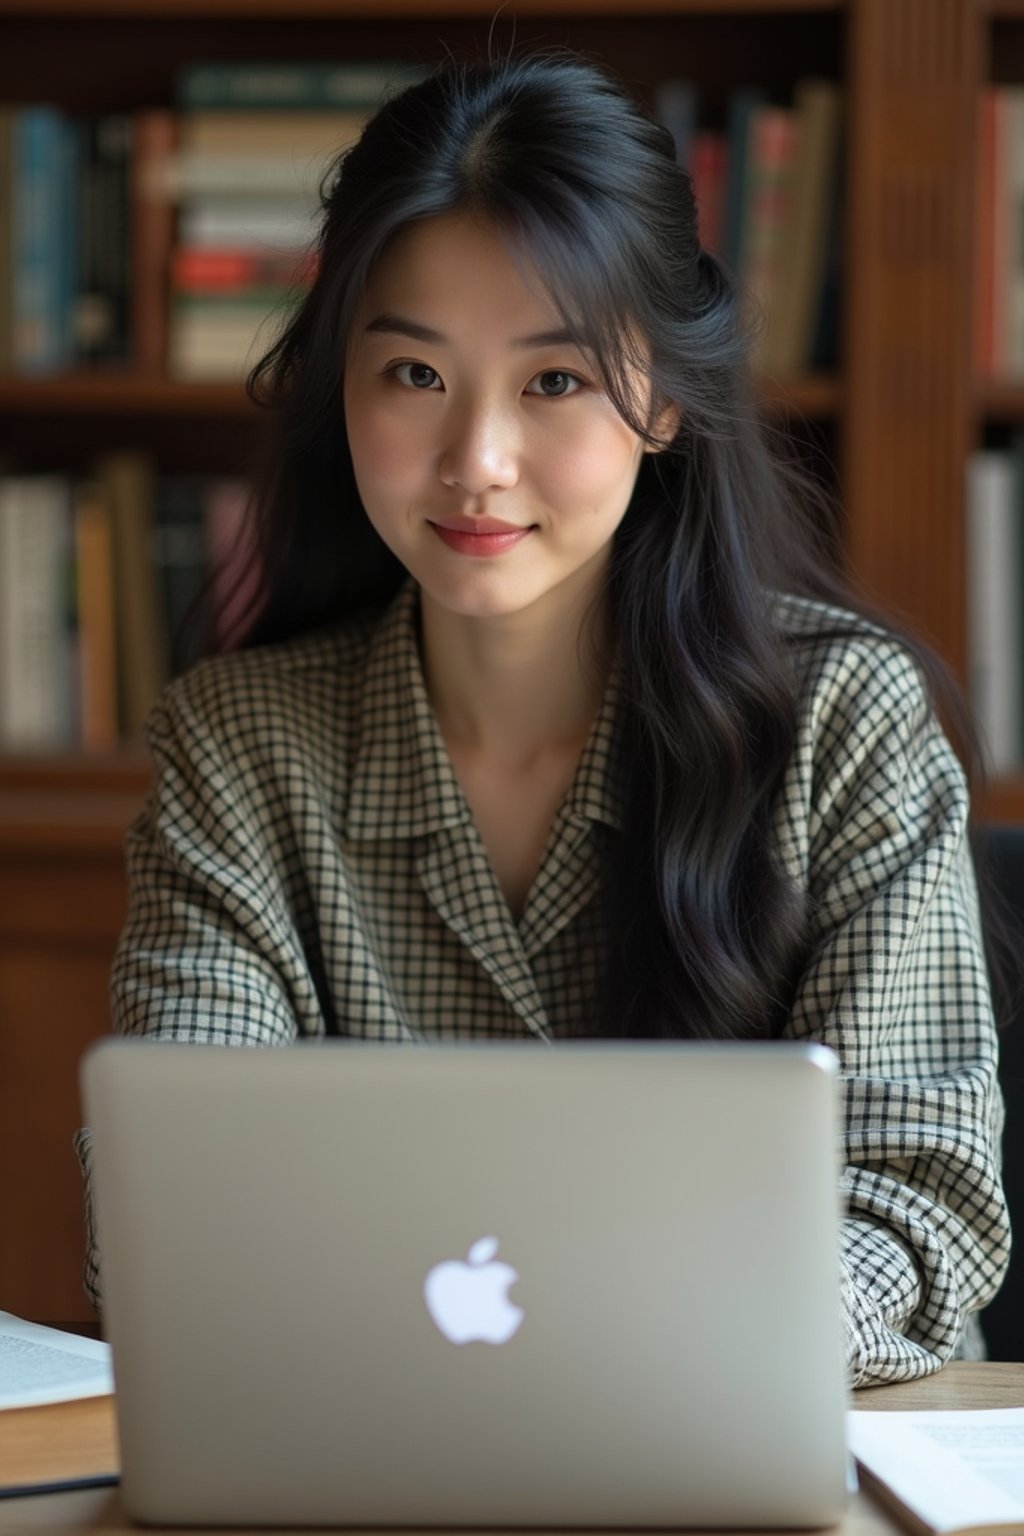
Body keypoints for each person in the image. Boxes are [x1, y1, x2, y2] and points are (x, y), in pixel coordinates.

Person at [78, 51, 1010, 1384]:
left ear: (666, 398)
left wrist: (635, 1351)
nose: (476, 461)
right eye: (413, 375)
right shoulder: (239, 747)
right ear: (339, 385)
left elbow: (916, 1205)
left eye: (556, 382)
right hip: (375, 1456)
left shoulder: (844, 722)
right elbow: (173, 1217)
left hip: (790, 1440)